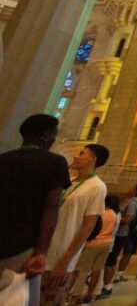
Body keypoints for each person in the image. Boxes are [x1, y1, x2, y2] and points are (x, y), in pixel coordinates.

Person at [0, 114, 70, 306]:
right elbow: (51, 206)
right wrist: (41, 251)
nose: (55, 139)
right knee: (19, 298)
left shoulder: (4, 159)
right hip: (24, 246)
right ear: (46, 136)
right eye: (54, 134)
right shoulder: (55, 162)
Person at [42, 144, 109, 305]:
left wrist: (65, 261)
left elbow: (88, 226)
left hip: (61, 255)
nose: (75, 156)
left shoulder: (97, 187)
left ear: (93, 159)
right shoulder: (68, 182)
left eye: (82, 153)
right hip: (44, 250)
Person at [69, 194, 121, 303]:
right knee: (96, 270)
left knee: (81, 270)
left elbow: (91, 227)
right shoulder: (113, 214)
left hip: (94, 242)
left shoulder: (99, 213)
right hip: (107, 243)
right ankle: (89, 296)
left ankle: (75, 295)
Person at [99, 183, 137, 298]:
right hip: (114, 233)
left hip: (119, 234)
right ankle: (105, 283)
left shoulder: (132, 203)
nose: (129, 189)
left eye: (131, 188)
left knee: (111, 259)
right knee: (109, 259)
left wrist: (114, 217)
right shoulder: (127, 200)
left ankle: (107, 285)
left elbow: (128, 219)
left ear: (135, 192)